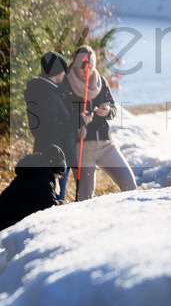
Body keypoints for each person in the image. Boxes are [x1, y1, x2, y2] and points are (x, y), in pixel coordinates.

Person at [59, 46, 138, 200]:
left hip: (106, 144)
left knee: (129, 183)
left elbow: (113, 107)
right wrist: (79, 119)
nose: (85, 72)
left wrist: (108, 110)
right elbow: (62, 116)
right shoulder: (66, 85)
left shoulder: (100, 81)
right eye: (81, 68)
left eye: (90, 67)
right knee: (85, 197)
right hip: (82, 146)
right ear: (74, 66)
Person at [24, 51, 82, 198]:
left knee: (51, 203)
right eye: (63, 70)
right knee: (53, 205)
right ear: (57, 71)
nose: (65, 74)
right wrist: (78, 121)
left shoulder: (49, 91)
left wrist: (77, 125)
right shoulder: (47, 95)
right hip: (53, 160)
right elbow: (52, 131)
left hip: (54, 157)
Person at [0, 145, 67, 230]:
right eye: (59, 174)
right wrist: (65, 203)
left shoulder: (30, 175)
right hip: (6, 229)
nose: (59, 178)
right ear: (54, 170)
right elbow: (47, 208)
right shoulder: (43, 182)